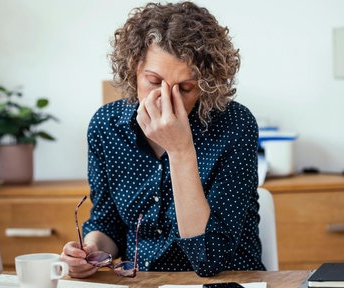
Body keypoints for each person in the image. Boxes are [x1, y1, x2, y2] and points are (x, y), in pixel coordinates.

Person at [61, 1, 264, 278]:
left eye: (186, 88)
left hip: (224, 280)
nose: (167, 99)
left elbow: (210, 259)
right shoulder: (106, 126)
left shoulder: (235, 125)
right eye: (154, 82)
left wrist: (180, 150)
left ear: (206, 86)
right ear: (133, 68)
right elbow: (108, 224)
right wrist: (90, 252)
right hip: (142, 281)